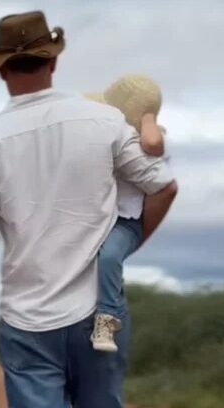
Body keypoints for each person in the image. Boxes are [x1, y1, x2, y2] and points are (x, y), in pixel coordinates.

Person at [0, 11, 177, 408]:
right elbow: (163, 185)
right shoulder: (104, 121)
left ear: (1, 70)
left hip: (28, 321)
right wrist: (124, 246)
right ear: (52, 61)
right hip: (100, 315)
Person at [87, 75, 168, 352]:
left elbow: (154, 142)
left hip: (125, 222)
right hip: (99, 218)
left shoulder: (142, 143)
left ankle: (107, 318)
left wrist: (146, 116)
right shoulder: (102, 140)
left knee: (109, 257)